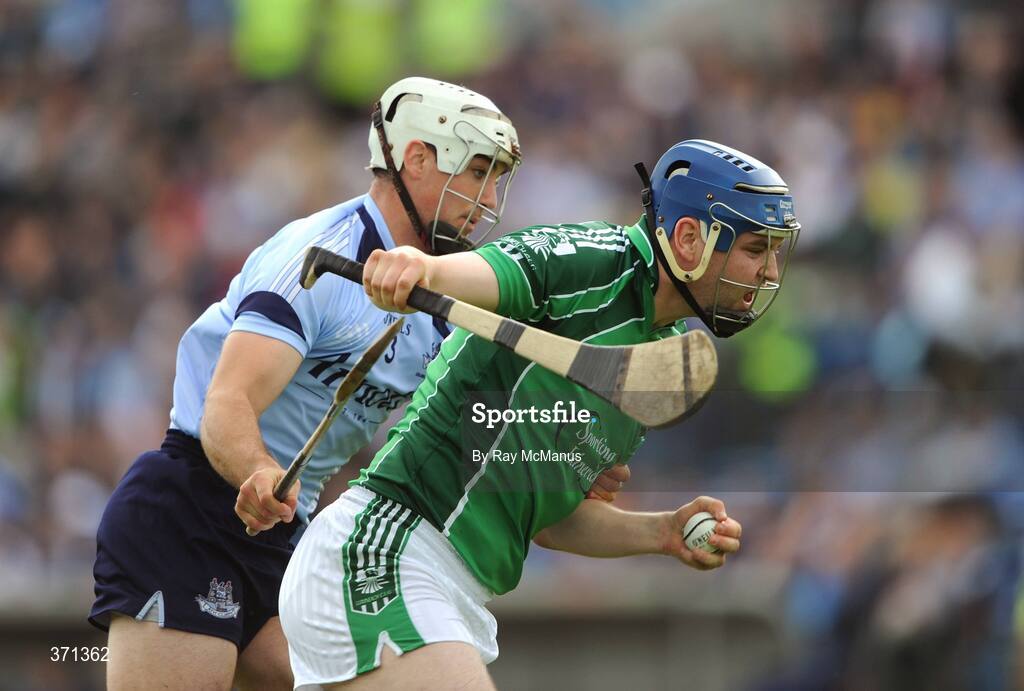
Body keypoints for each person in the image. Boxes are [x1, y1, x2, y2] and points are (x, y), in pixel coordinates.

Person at [89, 76, 627, 691]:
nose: (488, 198)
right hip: (194, 509)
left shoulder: (443, 303)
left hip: (288, 536)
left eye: (497, 179)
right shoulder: (319, 256)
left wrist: (566, 466)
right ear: (416, 159)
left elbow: (473, 449)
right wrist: (260, 472)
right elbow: (227, 402)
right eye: (478, 172)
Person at [269, 139, 802, 689]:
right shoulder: (597, 260)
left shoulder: (654, 361)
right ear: (690, 237)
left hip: (453, 587)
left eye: (775, 253)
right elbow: (496, 274)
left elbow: (548, 521)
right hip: (391, 546)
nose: (767, 273)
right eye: (756, 248)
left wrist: (661, 533)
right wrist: (423, 268)